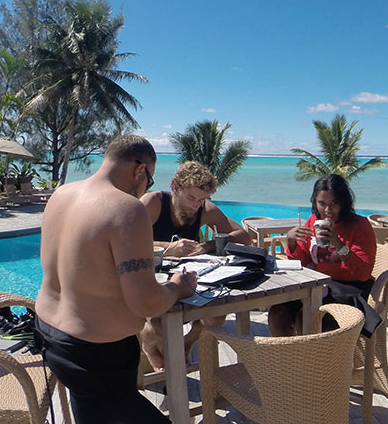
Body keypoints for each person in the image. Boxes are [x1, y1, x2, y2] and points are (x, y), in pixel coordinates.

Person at [34, 135, 198, 424]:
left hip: (49, 335)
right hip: (96, 354)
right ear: (139, 169)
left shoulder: (61, 195)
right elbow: (147, 303)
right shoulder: (126, 209)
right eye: (149, 179)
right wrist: (176, 287)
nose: (146, 187)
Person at [139, 160, 250, 370]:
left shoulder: (205, 210)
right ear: (175, 187)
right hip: (153, 280)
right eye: (191, 198)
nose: (195, 205)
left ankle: (187, 342)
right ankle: (149, 346)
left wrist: (208, 245)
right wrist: (168, 247)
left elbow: (244, 237)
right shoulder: (153, 203)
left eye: (201, 200)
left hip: (190, 280)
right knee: (159, 326)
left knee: (217, 316)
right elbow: (127, 239)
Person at [268, 173, 380, 337]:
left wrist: (338, 244)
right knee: (277, 313)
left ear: (344, 202)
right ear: (315, 202)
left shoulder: (360, 225)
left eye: (334, 203)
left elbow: (363, 272)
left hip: (348, 288)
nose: (327, 210)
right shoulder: (313, 221)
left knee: (306, 316)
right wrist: (291, 242)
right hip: (318, 286)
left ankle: (314, 360)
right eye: (322, 204)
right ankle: (290, 358)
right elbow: (303, 262)